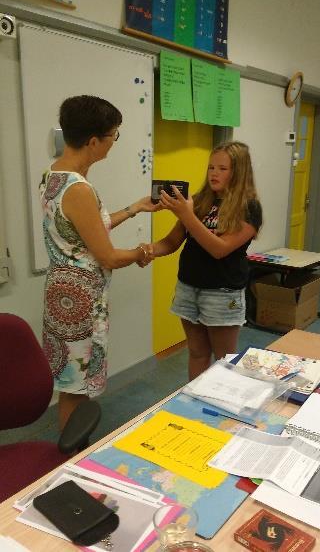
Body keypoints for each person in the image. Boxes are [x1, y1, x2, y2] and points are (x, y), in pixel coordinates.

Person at [40, 95, 157, 429]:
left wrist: (134, 208)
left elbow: (85, 231)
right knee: (76, 388)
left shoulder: (53, 175)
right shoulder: (78, 188)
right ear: (94, 141)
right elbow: (106, 255)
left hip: (63, 292)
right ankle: (70, 455)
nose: (113, 143)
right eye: (113, 136)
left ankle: (69, 447)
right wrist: (141, 253)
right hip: (79, 301)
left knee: (70, 383)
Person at [149, 141, 262, 380]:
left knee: (225, 361)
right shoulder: (199, 201)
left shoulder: (249, 207)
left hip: (222, 293)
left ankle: (222, 410)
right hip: (188, 288)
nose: (214, 173)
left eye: (223, 168)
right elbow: (171, 242)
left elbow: (219, 249)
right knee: (197, 353)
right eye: (211, 167)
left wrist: (187, 215)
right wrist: (142, 251)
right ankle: (194, 402)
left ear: (238, 172)